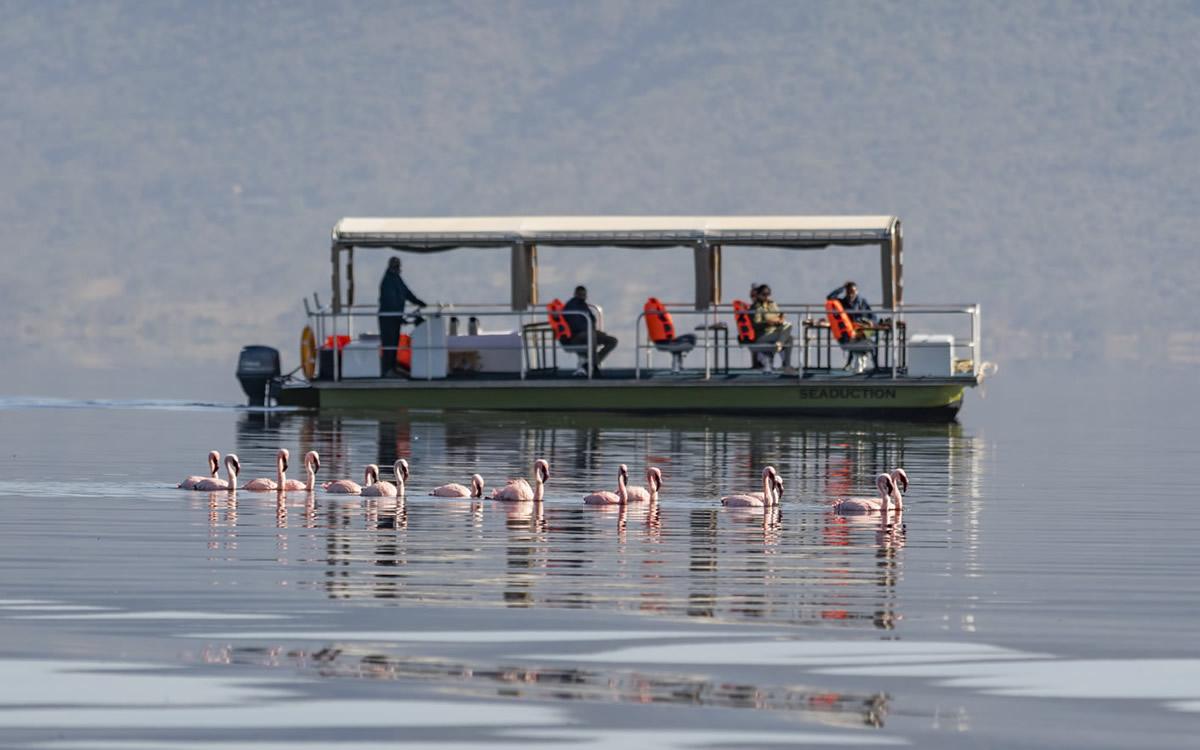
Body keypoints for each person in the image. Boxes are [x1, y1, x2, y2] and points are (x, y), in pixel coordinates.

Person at [379, 256, 426, 376]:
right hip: (388, 319)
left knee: (394, 343)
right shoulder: (387, 281)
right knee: (389, 344)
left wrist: (418, 301)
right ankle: (388, 370)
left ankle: (393, 368)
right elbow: (391, 301)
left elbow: (406, 292)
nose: (397, 268)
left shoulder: (397, 278)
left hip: (395, 317)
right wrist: (399, 317)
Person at [563, 285, 618, 376]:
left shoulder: (584, 306)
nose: (582, 297)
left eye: (584, 295)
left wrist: (595, 330)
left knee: (612, 341)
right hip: (576, 337)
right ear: (576, 294)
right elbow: (576, 325)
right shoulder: (571, 306)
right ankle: (595, 367)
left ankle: (590, 364)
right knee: (591, 335)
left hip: (588, 334)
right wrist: (591, 331)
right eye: (580, 294)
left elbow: (592, 319)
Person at [827, 280, 876, 371]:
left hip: (862, 328)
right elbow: (830, 297)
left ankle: (873, 363)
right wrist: (842, 288)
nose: (850, 295)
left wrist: (872, 321)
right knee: (852, 339)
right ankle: (850, 362)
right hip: (850, 331)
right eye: (849, 292)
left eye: (852, 292)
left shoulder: (862, 302)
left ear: (856, 291)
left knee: (869, 338)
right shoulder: (843, 302)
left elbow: (872, 315)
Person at [749, 284, 797, 373]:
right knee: (788, 338)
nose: (767, 296)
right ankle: (780, 347)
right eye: (764, 294)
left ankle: (786, 364)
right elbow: (756, 324)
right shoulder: (757, 307)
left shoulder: (772, 305)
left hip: (774, 332)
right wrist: (769, 323)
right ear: (759, 295)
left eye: (768, 294)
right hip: (763, 335)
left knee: (788, 328)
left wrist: (780, 319)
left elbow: (777, 318)